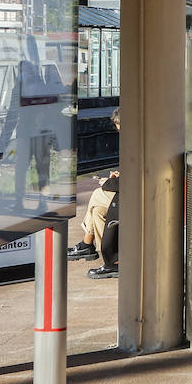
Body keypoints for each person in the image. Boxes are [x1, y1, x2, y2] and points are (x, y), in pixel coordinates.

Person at [68, 108, 120, 278]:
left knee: (98, 193)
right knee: (97, 210)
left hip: (133, 195)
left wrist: (109, 182)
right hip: (131, 191)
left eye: (119, 125)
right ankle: (109, 260)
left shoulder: (136, 141)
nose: (118, 129)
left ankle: (87, 244)